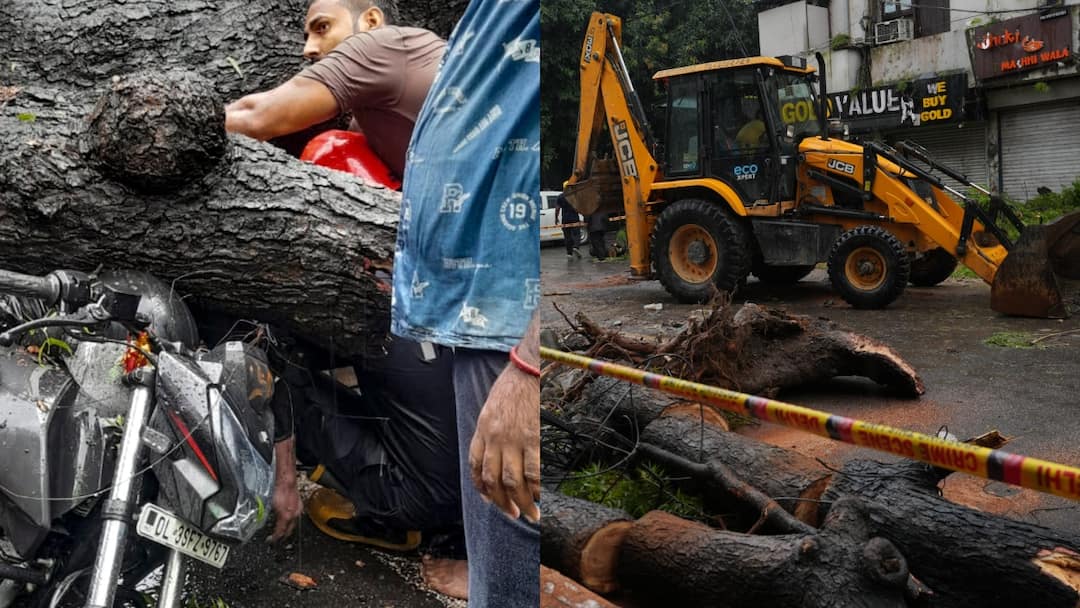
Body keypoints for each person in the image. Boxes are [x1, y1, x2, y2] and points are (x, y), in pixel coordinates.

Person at [390, 0, 540, 605]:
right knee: (494, 569)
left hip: (506, 336)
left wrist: (528, 369)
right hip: (477, 321)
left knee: (507, 583)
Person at [224, 0, 446, 178]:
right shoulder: (365, 123)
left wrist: (195, 126)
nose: (308, 49)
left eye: (322, 27)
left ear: (371, 20)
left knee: (331, 147)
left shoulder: (382, 44)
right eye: (307, 37)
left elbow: (257, 117)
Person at [554, 190, 583, 259]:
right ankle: (576, 247)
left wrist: (556, 218)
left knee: (567, 237)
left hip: (565, 219)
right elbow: (580, 206)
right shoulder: (575, 195)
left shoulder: (560, 196)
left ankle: (569, 254)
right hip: (574, 218)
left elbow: (557, 208)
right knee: (576, 234)